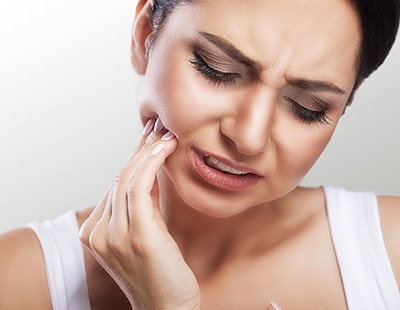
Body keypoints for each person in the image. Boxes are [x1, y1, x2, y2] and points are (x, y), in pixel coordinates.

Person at [1, 0, 400, 309]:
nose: (249, 137)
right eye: (217, 69)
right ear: (144, 35)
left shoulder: (391, 250)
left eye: (307, 106)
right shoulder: (15, 280)